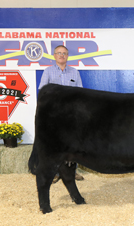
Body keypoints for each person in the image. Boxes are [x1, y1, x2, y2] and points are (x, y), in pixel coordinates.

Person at [39, 45, 84, 183]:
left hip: (71, 115)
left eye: (64, 53)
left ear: (67, 56)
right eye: (59, 53)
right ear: (54, 56)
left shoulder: (74, 72)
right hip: (54, 115)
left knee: (72, 143)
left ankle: (72, 172)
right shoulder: (48, 72)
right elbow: (42, 92)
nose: (62, 55)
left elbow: (80, 93)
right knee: (54, 145)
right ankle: (55, 173)